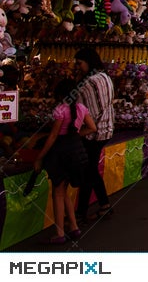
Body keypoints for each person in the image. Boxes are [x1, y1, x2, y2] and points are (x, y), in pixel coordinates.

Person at [35, 78, 96, 244]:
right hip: (77, 151)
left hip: (60, 152)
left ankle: (60, 232)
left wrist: (39, 157)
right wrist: (75, 135)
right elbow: (92, 128)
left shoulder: (60, 110)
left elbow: (53, 136)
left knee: (57, 192)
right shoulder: (81, 108)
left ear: (61, 94)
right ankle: (74, 227)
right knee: (64, 191)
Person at [74, 47, 115, 223]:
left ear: (88, 62)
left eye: (79, 63)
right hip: (106, 129)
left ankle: (81, 212)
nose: (77, 67)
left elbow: (86, 110)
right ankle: (104, 205)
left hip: (93, 132)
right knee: (90, 170)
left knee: (88, 172)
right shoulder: (105, 77)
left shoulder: (89, 82)